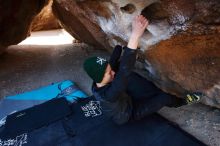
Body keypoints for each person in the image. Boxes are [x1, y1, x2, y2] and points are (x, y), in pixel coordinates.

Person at [83, 15, 201, 125]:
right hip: (128, 114)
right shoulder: (108, 95)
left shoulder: (98, 80)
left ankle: (151, 92)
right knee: (164, 98)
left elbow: (113, 61)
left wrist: (119, 47)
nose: (112, 72)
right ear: (100, 78)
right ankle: (182, 102)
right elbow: (124, 71)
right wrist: (135, 35)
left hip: (124, 99)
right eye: (109, 73)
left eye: (110, 70)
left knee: (119, 69)